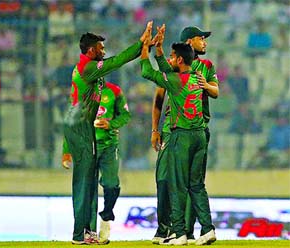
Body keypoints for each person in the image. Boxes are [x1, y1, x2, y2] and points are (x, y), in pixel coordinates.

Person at [61, 21, 152, 245]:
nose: (104, 51)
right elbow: (118, 61)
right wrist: (141, 44)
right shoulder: (88, 68)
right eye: (101, 48)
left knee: (89, 182)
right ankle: (79, 234)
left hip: (80, 125)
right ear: (91, 50)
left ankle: (87, 231)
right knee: (84, 183)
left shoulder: (88, 68)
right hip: (81, 127)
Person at [141, 26, 216, 245]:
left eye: (174, 56)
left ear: (180, 59)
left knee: (176, 182)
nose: (205, 41)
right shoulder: (195, 75)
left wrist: (146, 48)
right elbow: (165, 72)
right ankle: (206, 229)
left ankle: (180, 232)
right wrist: (160, 51)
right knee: (194, 184)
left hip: (181, 134)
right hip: (198, 133)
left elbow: (149, 72)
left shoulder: (176, 79)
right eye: (201, 38)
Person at [62, 81, 131, 245]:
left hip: (109, 146)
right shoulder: (81, 93)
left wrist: (111, 124)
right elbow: (70, 123)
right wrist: (66, 151)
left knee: (111, 183)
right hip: (87, 146)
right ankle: (90, 232)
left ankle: (106, 216)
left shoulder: (114, 91)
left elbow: (125, 115)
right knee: (90, 190)